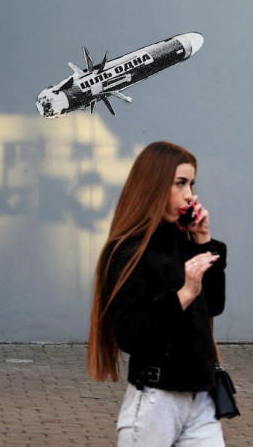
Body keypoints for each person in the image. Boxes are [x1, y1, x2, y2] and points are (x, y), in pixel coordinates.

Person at [87, 141, 227, 446]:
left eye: (191, 183)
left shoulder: (183, 242)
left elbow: (213, 305)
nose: (190, 194)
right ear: (154, 185)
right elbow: (131, 335)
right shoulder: (127, 250)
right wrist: (185, 293)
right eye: (180, 183)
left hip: (201, 398)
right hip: (156, 402)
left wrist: (203, 241)